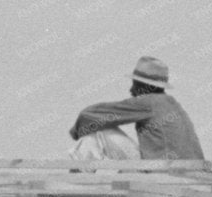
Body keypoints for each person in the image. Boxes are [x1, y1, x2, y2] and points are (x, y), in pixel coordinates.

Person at [69, 55, 205, 160]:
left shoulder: (148, 102)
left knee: (98, 135)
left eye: (134, 84)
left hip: (163, 172)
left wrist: (76, 131)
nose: (131, 90)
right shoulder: (171, 103)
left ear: (143, 86)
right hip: (186, 170)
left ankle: (72, 185)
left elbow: (91, 114)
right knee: (97, 131)